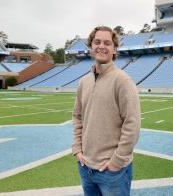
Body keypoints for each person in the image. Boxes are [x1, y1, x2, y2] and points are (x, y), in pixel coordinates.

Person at [72, 26, 141, 196]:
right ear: (91, 47)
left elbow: (132, 124)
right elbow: (77, 117)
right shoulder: (83, 82)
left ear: (114, 49)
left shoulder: (122, 80)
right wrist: (77, 148)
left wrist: (117, 162)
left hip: (112, 172)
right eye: (97, 42)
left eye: (107, 43)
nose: (101, 46)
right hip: (86, 167)